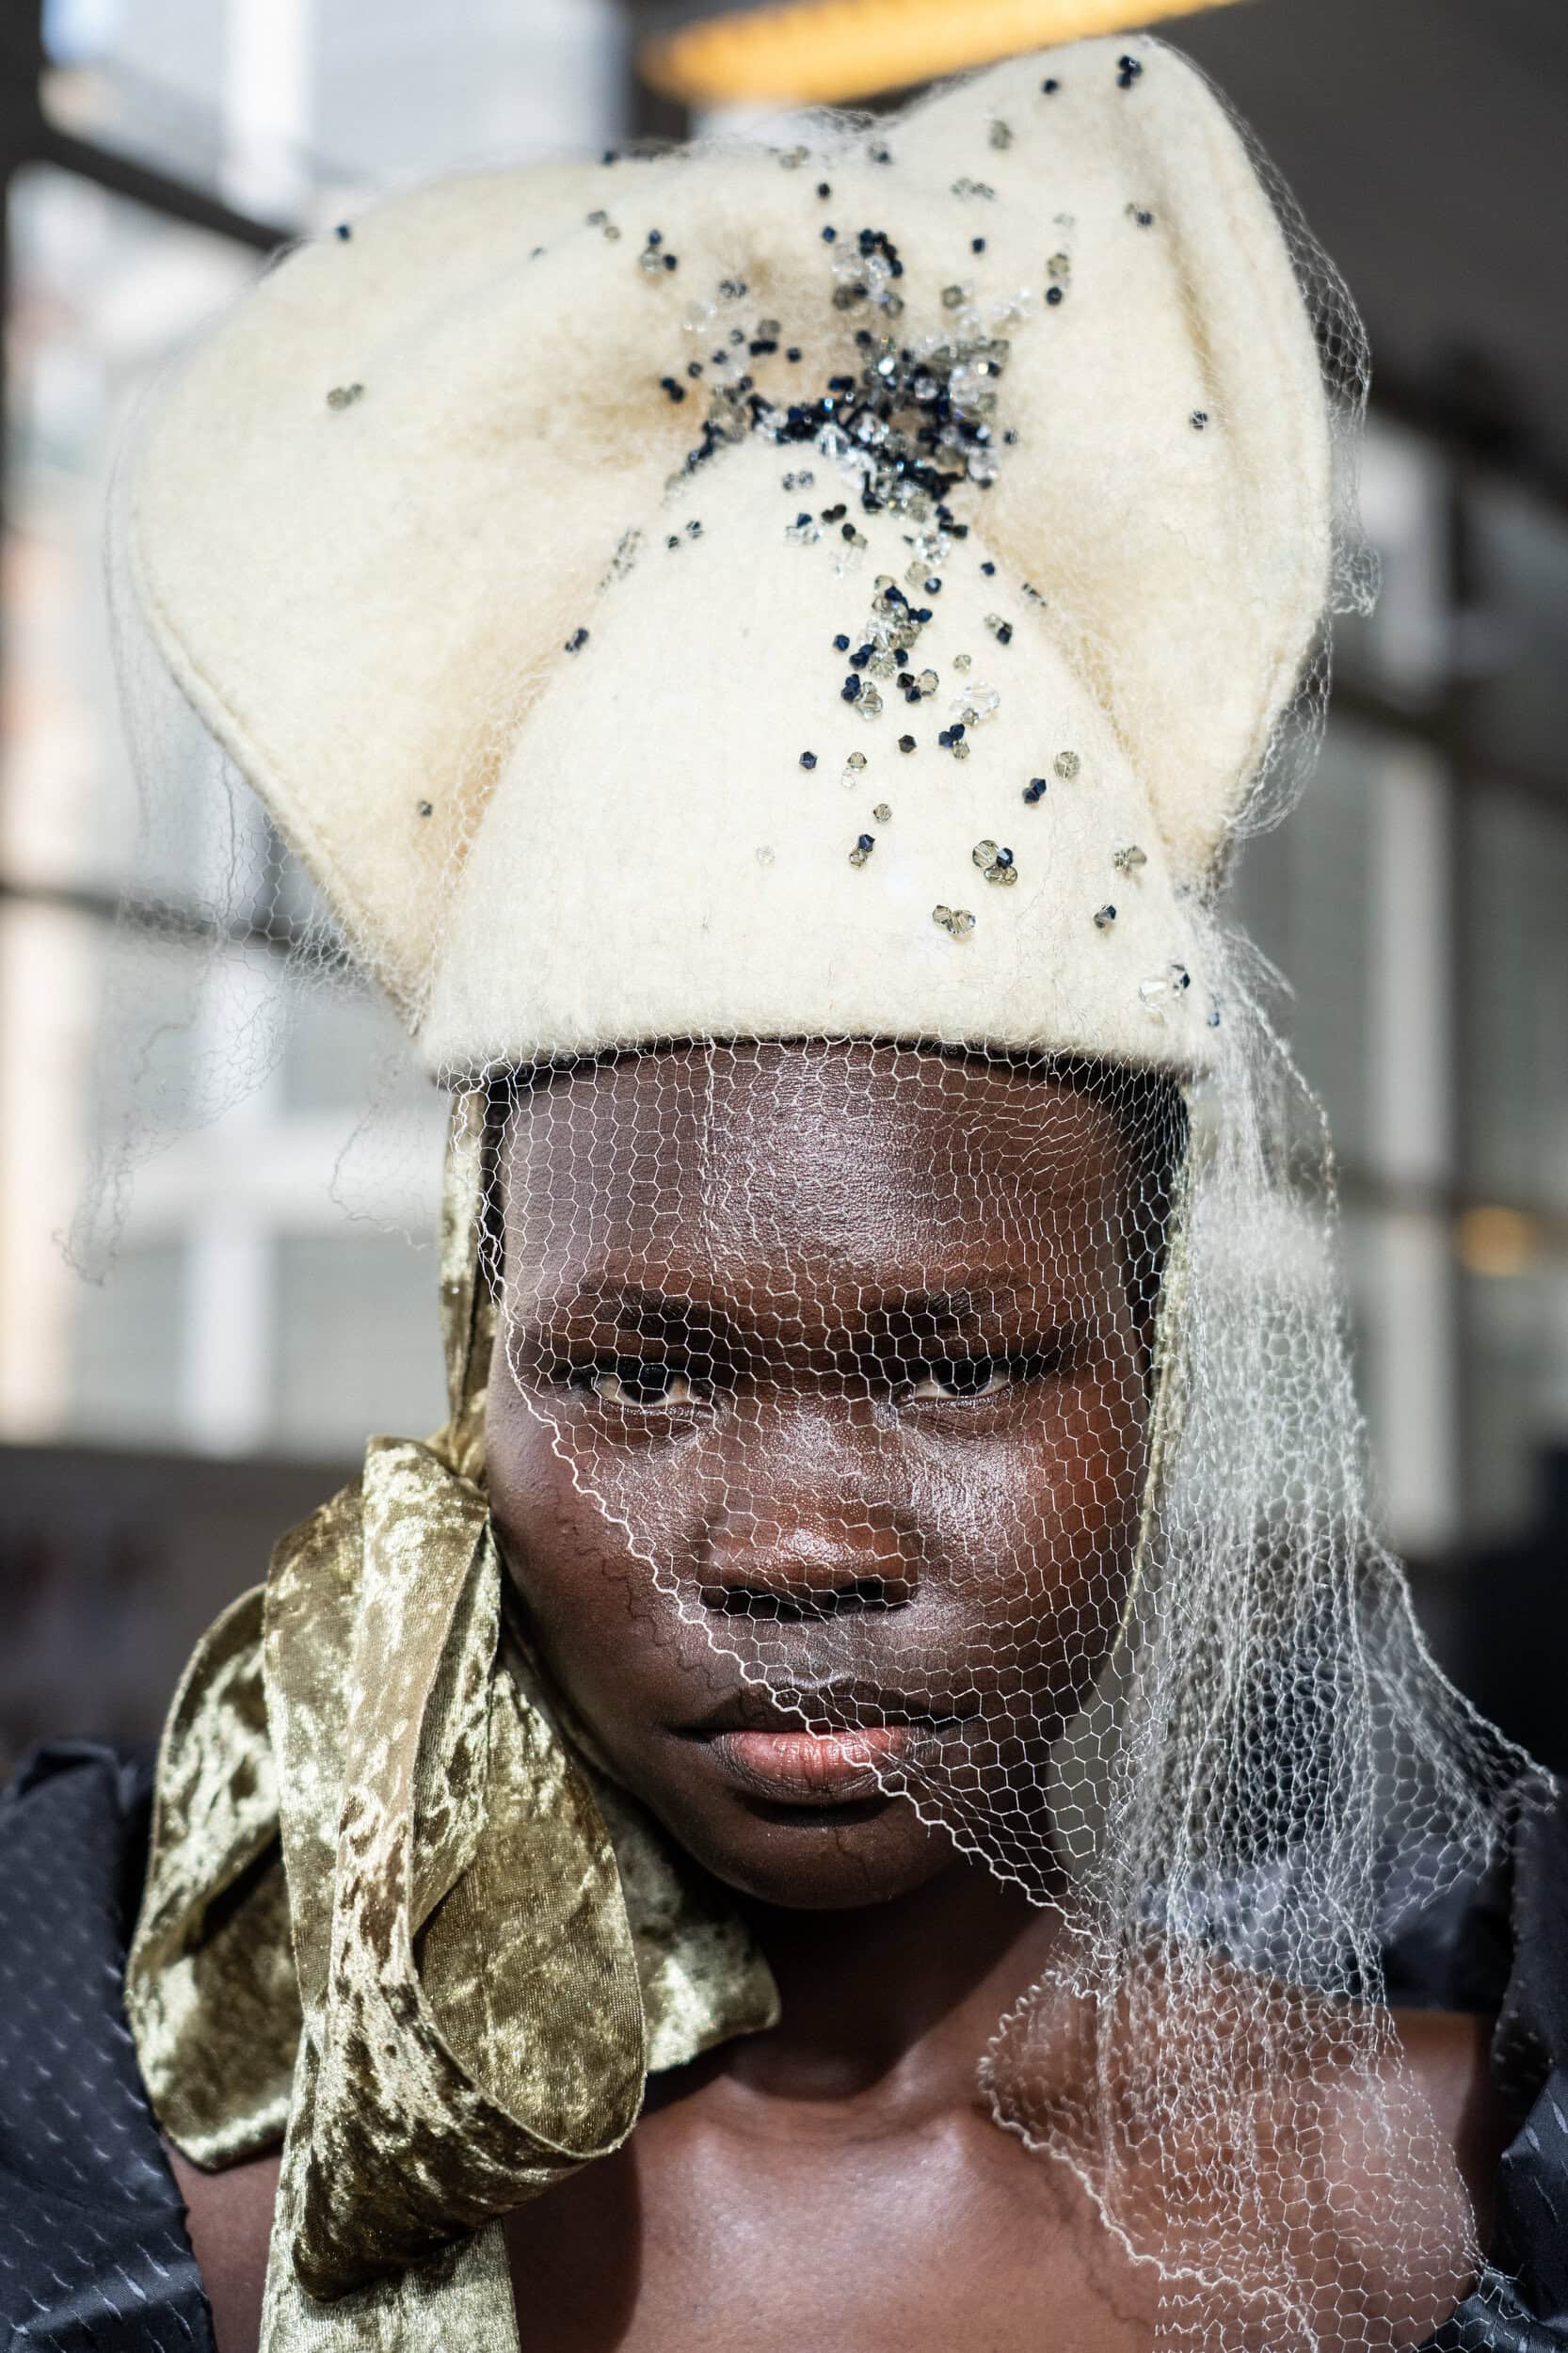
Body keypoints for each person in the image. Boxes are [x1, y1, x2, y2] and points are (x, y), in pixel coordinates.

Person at [2, 34, 1563, 2353]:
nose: (797, 1535)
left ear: (1148, 1376)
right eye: (630, 1370)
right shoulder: (151, 2203)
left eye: (952, 1363)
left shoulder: (1448, 2210)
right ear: (478, 1369)